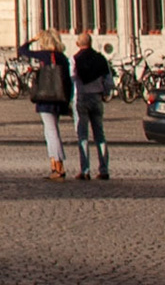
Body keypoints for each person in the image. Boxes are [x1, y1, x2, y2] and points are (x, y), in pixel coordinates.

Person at [20, 29, 73, 181]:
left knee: (51, 132)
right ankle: (54, 164)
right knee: (51, 131)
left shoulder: (44, 55)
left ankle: (58, 165)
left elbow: (22, 50)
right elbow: (67, 82)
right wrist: (67, 101)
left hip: (46, 98)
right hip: (58, 98)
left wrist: (32, 39)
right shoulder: (62, 57)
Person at [72, 31, 111, 181]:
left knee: (83, 136)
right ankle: (104, 169)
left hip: (82, 97)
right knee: (100, 135)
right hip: (96, 97)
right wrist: (104, 94)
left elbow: (73, 79)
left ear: (78, 44)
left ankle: (85, 170)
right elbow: (108, 80)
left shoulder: (75, 59)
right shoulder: (101, 59)